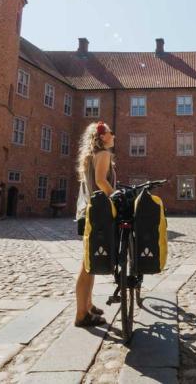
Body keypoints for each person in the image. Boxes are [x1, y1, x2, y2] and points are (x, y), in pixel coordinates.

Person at [73, 121, 116, 327]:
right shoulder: (104, 155)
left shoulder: (91, 156)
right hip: (98, 212)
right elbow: (100, 181)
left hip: (89, 211)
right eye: (110, 132)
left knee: (89, 264)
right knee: (86, 266)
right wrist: (116, 197)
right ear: (101, 138)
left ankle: (88, 305)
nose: (113, 135)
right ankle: (81, 314)